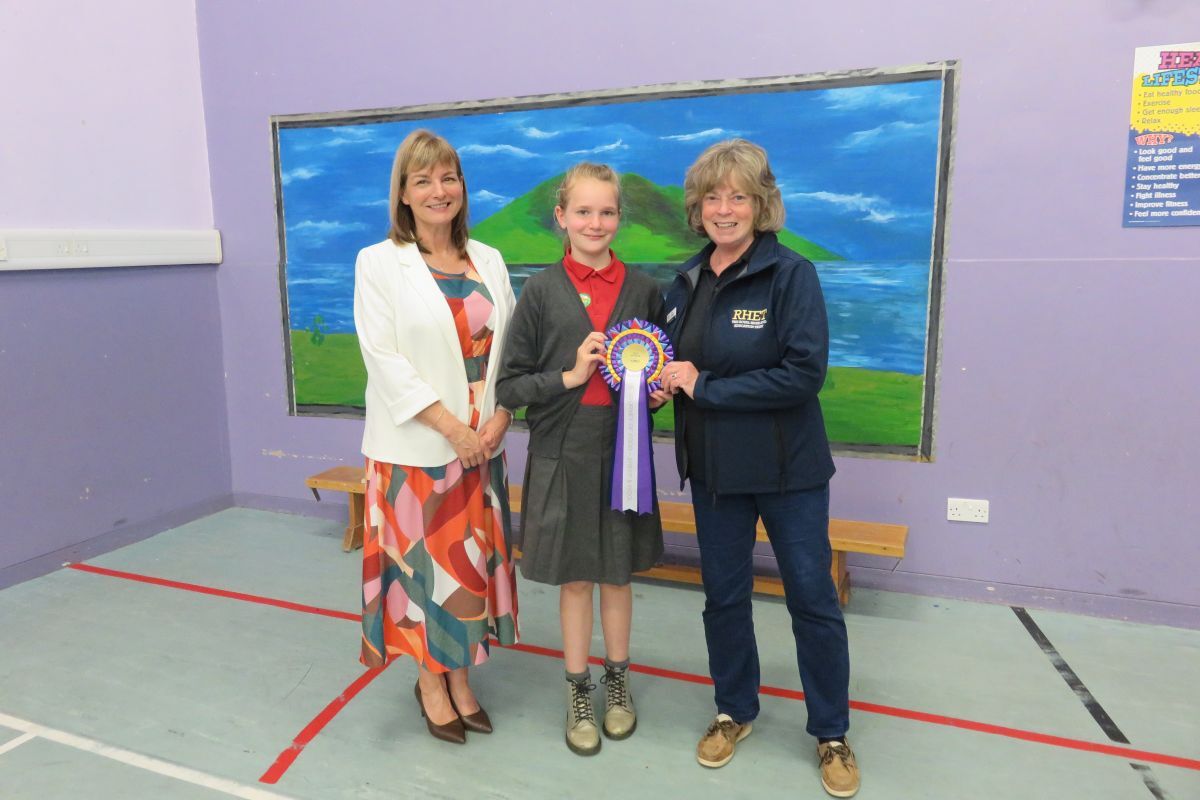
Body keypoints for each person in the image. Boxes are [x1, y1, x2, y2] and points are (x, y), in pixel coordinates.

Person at [660, 139, 859, 797]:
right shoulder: (684, 282)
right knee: (723, 599)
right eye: (713, 197)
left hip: (789, 474)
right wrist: (664, 387)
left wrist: (704, 385)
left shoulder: (791, 275)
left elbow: (803, 374)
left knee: (812, 598)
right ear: (698, 207)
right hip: (717, 477)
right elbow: (676, 369)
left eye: (737, 196)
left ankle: (831, 732)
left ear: (761, 203)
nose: (724, 208)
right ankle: (733, 711)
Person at [353, 129, 518, 745]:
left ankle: (462, 675)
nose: (438, 190)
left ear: (462, 188)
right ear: (402, 194)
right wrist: (454, 429)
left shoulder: (490, 260)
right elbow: (384, 358)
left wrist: (498, 421)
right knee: (424, 578)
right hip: (418, 453)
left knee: (468, 574)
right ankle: (431, 681)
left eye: (448, 177)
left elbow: (510, 353)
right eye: (422, 180)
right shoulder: (378, 263)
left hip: (482, 449)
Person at [496, 163, 667, 756]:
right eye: (584, 211)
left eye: (608, 211)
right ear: (561, 218)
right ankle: (578, 690)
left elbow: (653, 378)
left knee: (617, 574)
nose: (596, 222)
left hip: (623, 455)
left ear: (620, 217)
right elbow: (509, 388)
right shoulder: (541, 291)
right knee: (576, 577)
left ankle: (618, 682)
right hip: (562, 450)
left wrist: (655, 393)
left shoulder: (644, 289)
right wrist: (569, 375)